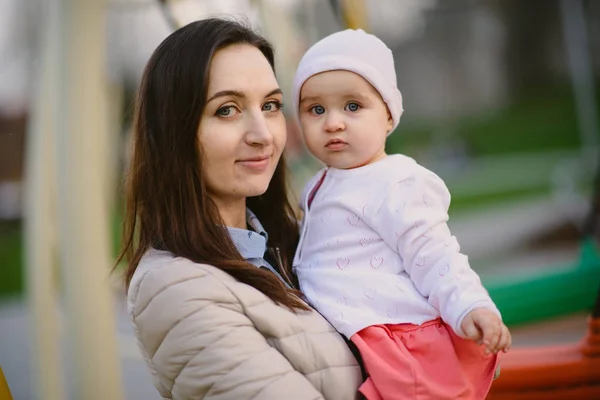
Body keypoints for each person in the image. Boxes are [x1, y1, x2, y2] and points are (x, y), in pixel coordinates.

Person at [118, 18, 363, 400]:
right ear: (173, 132)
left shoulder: (285, 246)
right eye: (227, 110)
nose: (263, 134)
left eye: (270, 105)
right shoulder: (176, 289)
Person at [291, 29, 511, 400]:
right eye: (316, 109)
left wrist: (471, 305)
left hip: (395, 335)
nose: (333, 123)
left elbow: (435, 254)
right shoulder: (316, 185)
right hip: (351, 332)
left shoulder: (396, 181)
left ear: (389, 117)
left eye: (353, 106)